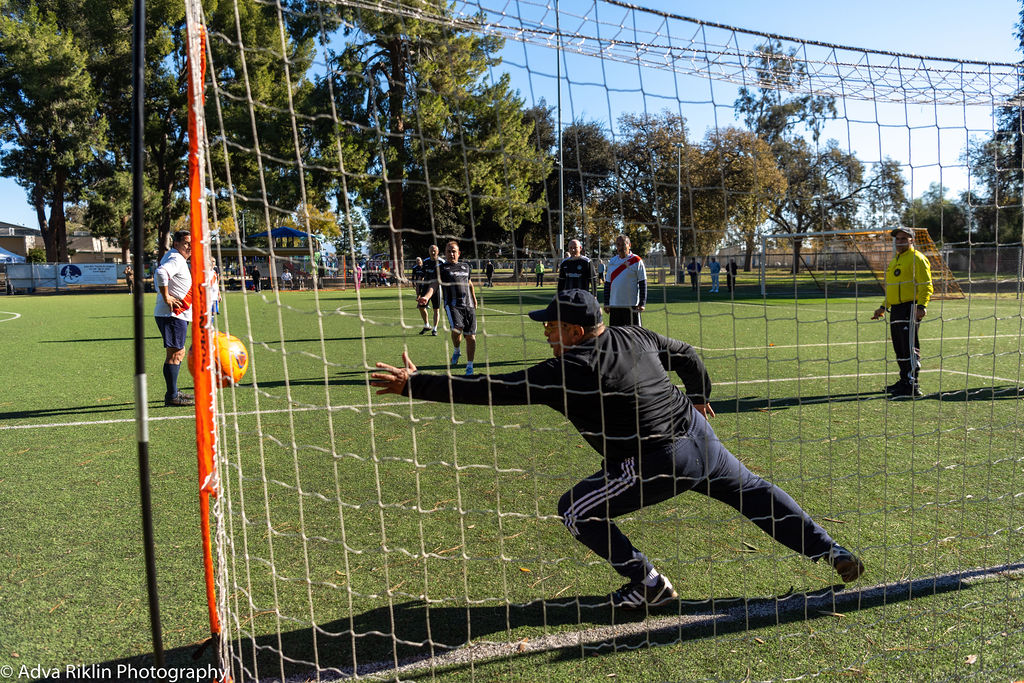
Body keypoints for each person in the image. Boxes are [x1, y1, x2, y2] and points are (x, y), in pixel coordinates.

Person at [371, 289, 865, 608]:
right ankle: (831, 549)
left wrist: (416, 385)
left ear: (579, 330)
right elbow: (688, 355)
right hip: (701, 436)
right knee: (755, 493)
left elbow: (493, 391)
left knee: (574, 510)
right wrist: (699, 396)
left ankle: (647, 584)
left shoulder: (569, 369)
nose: (545, 330)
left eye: (552, 324)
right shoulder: (635, 333)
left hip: (659, 460)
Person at [872, 227, 933, 398]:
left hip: (911, 307)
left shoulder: (917, 259)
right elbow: (892, 289)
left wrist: (922, 306)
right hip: (896, 309)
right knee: (899, 346)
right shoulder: (895, 261)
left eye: (904, 239)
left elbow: (926, 285)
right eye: (897, 239)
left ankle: (913, 385)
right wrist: (883, 307)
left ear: (912, 240)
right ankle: (904, 380)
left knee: (909, 346)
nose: (899, 242)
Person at [419, 240, 477, 374]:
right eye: (449, 251)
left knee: (471, 337)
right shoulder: (442, 269)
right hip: (453, 306)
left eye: (454, 251)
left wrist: (474, 299)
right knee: (457, 329)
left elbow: (469, 284)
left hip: (468, 306)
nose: (451, 254)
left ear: (459, 253)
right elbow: (434, 285)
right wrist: (426, 297)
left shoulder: (466, 267)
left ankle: (469, 366)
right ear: (445, 253)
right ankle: (457, 350)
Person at [153, 230, 195, 407]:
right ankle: (172, 396)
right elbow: (161, 273)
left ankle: (174, 392)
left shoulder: (175, 257)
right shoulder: (176, 258)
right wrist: (167, 297)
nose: (190, 246)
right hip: (172, 313)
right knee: (175, 353)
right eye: (186, 243)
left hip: (174, 313)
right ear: (176, 243)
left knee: (178, 352)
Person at [604, 234, 646, 327]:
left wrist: (642, 303)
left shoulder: (636, 260)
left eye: (623, 244)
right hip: (615, 305)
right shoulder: (612, 262)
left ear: (629, 245)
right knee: (616, 336)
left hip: (632, 305)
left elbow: (643, 282)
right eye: (618, 245)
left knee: (635, 335)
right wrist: (606, 303)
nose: (621, 247)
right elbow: (607, 284)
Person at [418, 245, 443, 335]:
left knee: (436, 309)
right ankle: (427, 324)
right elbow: (421, 275)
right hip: (426, 287)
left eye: (434, 251)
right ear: (429, 252)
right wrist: (418, 289)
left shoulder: (441, 262)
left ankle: (435, 328)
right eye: (431, 251)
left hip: (436, 288)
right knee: (421, 307)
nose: (433, 252)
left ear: (438, 252)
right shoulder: (426, 261)